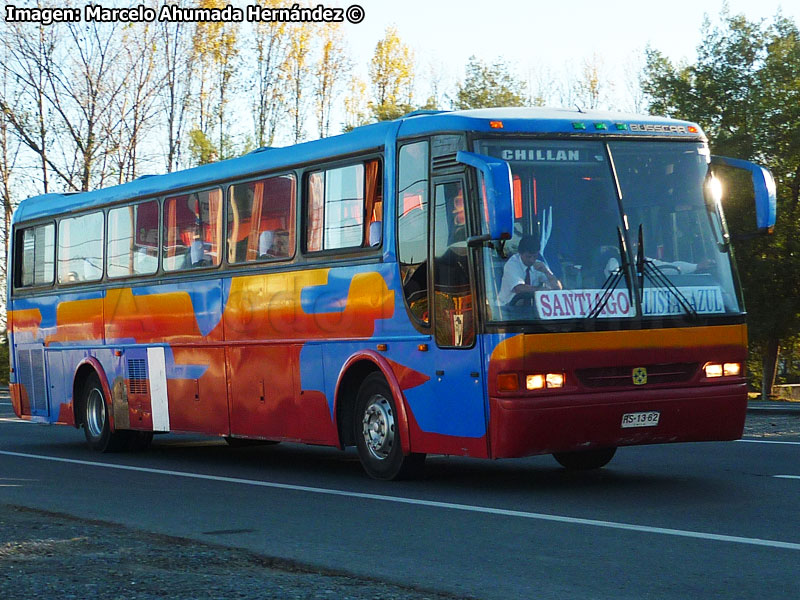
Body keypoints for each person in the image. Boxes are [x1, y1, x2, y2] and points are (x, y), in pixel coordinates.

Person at [498, 234, 562, 305]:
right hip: (506, 309)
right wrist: (540, 290)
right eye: (528, 257)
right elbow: (519, 289)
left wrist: (547, 272)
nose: (532, 260)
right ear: (520, 253)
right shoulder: (512, 264)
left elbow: (558, 288)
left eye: (535, 256)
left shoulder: (539, 265)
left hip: (529, 310)